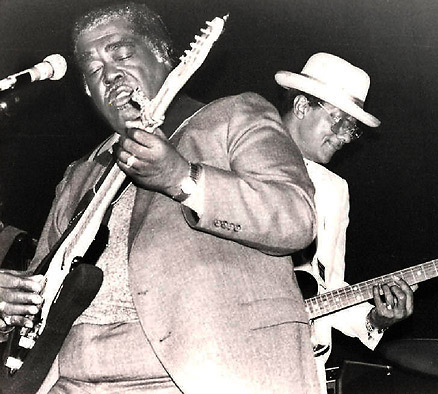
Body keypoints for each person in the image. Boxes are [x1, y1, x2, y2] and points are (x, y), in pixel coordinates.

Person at [0, 3, 322, 393]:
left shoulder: (235, 116)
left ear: (163, 56)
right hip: (67, 380)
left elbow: (296, 218)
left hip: (189, 376)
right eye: (94, 69)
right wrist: (8, 309)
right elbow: (38, 296)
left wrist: (182, 179)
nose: (111, 75)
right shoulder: (79, 173)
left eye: (122, 54)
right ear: (87, 89)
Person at [275, 52, 415, 392]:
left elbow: (326, 286)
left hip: (303, 371)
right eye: (338, 122)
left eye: (351, 130)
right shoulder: (239, 152)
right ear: (303, 106)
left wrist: (375, 318)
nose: (343, 137)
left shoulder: (335, 190)